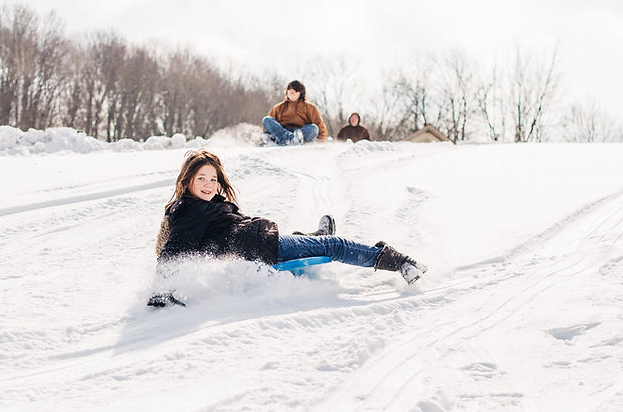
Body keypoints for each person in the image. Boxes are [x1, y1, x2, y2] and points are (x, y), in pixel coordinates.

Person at [152, 150, 426, 304]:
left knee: (302, 242)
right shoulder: (189, 210)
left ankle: (315, 237)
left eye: (213, 179)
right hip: (258, 247)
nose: (209, 185)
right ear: (187, 180)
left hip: (254, 244)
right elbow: (176, 249)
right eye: (201, 178)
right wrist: (162, 289)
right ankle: (399, 262)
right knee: (335, 245)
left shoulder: (195, 206)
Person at [261, 80, 328, 145]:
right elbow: (269, 125)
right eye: (289, 90)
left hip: (300, 133)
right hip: (281, 132)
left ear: (300, 93)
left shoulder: (309, 107)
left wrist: (321, 140)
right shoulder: (278, 108)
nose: (291, 92)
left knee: (313, 128)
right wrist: (261, 138)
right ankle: (289, 139)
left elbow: (319, 124)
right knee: (266, 119)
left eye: (295, 91)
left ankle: (294, 139)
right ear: (287, 92)